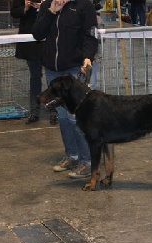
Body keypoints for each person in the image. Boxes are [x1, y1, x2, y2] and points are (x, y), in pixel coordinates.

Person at [33, 0, 98, 178]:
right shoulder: (47, 5)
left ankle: (89, 161)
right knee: (63, 117)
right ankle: (72, 155)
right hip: (52, 71)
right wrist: (51, 12)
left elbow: (90, 35)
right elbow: (37, 34)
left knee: (78, 118)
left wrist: (88, 57)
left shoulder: (84, 5)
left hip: (76, 68)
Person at [10, 0, 46, 124]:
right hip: (30, 41)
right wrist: (25, 7)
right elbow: (14, 12)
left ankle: (55, 110)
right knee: (35, 77)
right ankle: (34, 111)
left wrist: (45, 6)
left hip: (49, 38)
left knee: (53, 77)